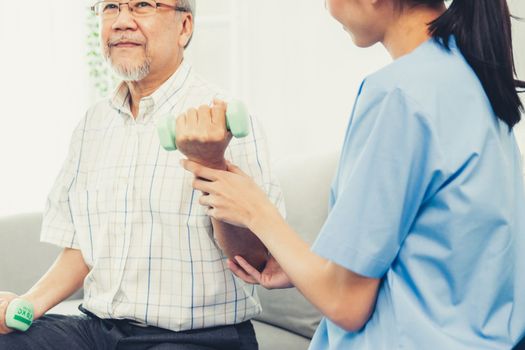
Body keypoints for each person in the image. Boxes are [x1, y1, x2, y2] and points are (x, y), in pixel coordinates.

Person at [181, 0, 525, 349]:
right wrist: (311, 267)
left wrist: (256, 210)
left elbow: (347, 304)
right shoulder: (472, 80)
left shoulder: (399, 95)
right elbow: (450, 263)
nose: (327, 8)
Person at [0, 0, 283, 349]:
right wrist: (27, 304)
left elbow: (256, 260)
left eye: (142, 5)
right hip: (99, 330)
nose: (121, 21)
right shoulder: (92, 125)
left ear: (184, 27)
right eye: (111, 7)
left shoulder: (222, 119)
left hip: (199, 337)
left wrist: (212, 164)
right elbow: (81, 249)